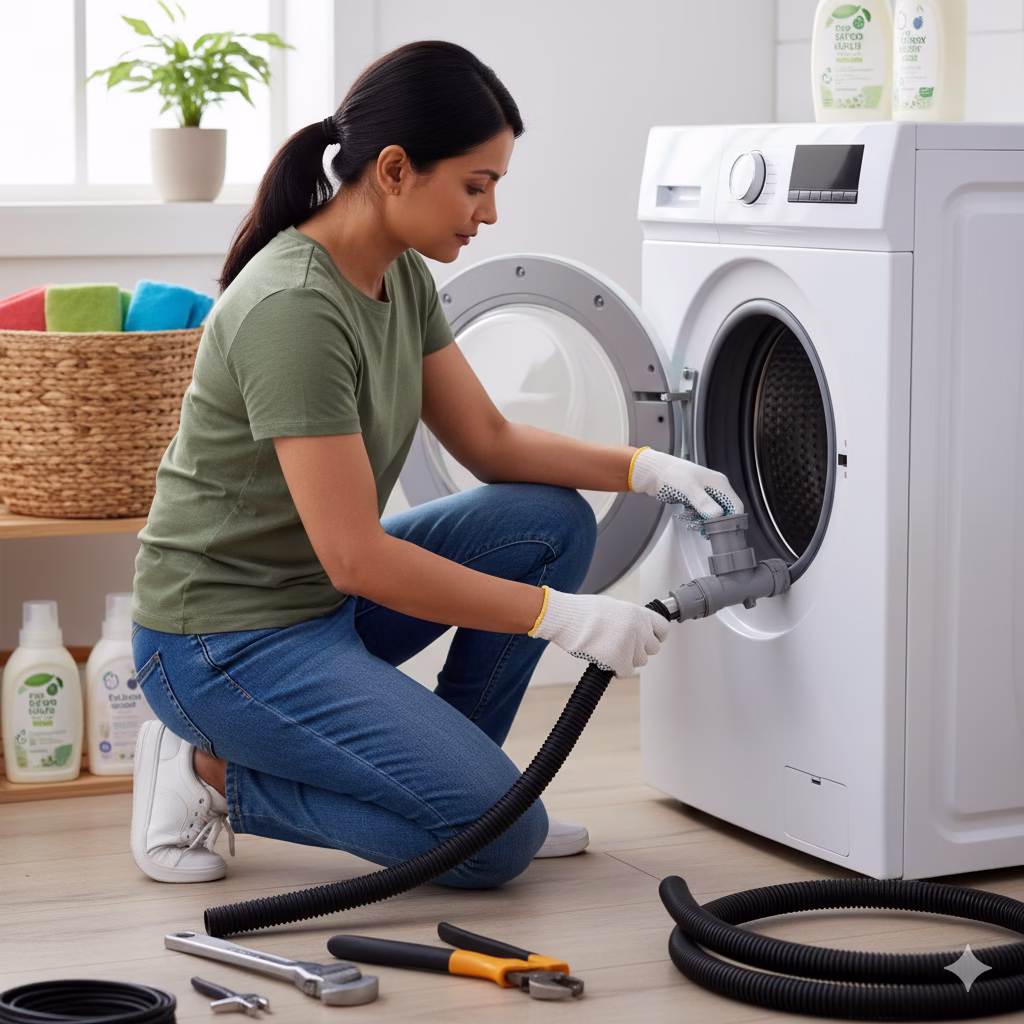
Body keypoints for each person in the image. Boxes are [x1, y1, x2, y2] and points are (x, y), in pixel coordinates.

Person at [128, 40, 742, 887]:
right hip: (219, 646)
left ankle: (466, 796)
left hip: (318, 609)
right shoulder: (294, 308)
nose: (487, 213)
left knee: (549, 519)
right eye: (475, 184)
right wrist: (561, 618)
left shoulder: (399, 274)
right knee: (494, 848)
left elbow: (489, 442)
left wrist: (646, 466)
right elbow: (357, 556)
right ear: (393, 170)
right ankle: (213, 775)